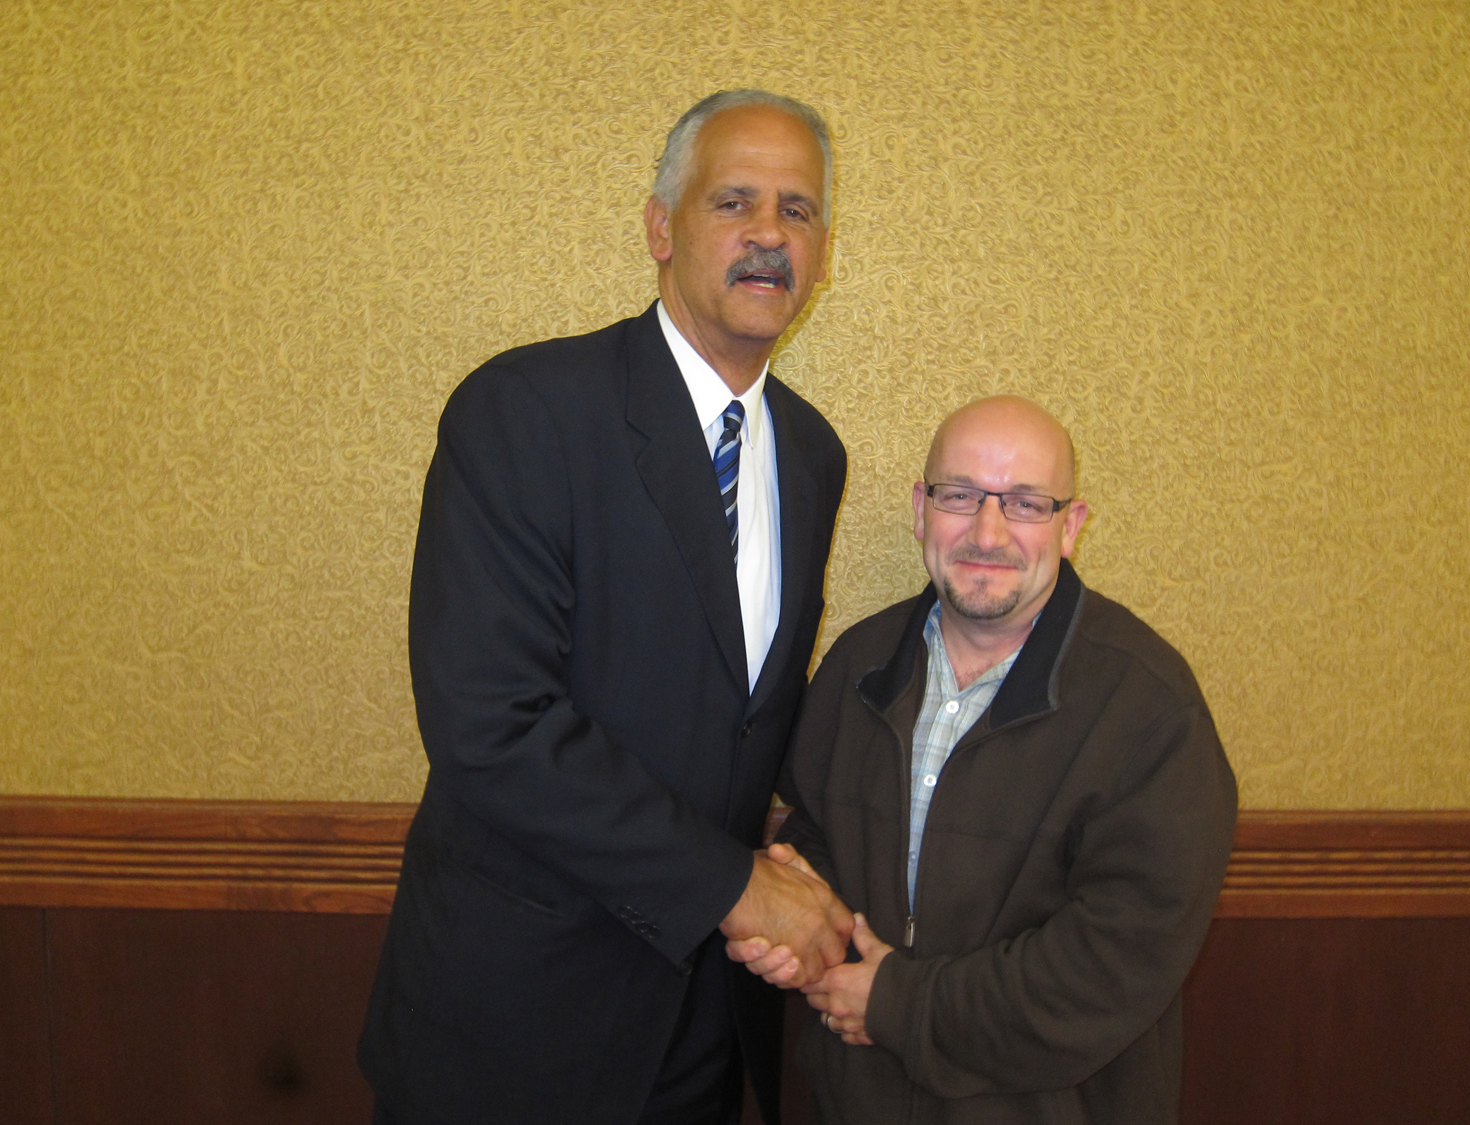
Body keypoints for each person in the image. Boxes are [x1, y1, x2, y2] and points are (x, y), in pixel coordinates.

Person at [358, 90, 853, 1125]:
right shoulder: (525, 410)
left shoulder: (813, 456)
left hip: (705, 1027)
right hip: (515, 1031)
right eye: (735, 201)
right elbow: (490, 723)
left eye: (798, 210)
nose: (770, 233)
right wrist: (735, 887)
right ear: (661, 228)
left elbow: (745, 722)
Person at [730, 397, 1238, 1124]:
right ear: (920, 510)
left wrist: (900, 1003)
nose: (987, 532)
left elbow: (1115, 965)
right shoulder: (856, 665)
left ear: (1070, 526)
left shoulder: (1151, 709)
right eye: (960, 496)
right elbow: (816, 837)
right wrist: (797, 923)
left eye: (1026, 503)